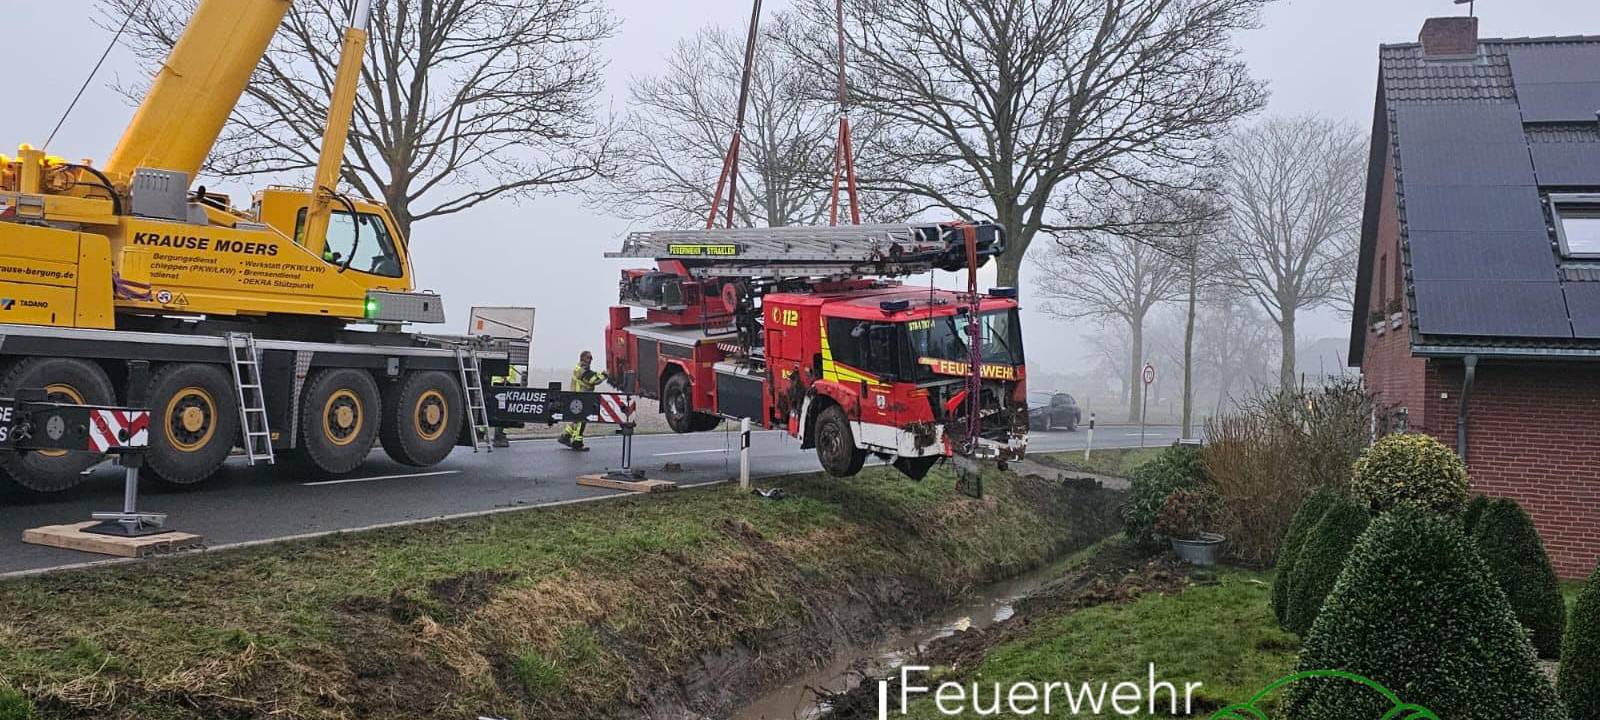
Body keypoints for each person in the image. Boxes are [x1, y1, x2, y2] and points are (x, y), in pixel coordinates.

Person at [558, 350, 607, 451]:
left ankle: (565, 436)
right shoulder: (582, 370)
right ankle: (577, 442)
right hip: (581, 397)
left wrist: (600, 374)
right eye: (589, 357)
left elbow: (592, 375)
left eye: (591, 357)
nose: (591, 359)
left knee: (576, 420)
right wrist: (604, 375)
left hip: (578, 397)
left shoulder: (582, 369)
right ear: (583, 358)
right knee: (582, 420)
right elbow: (593, 380)